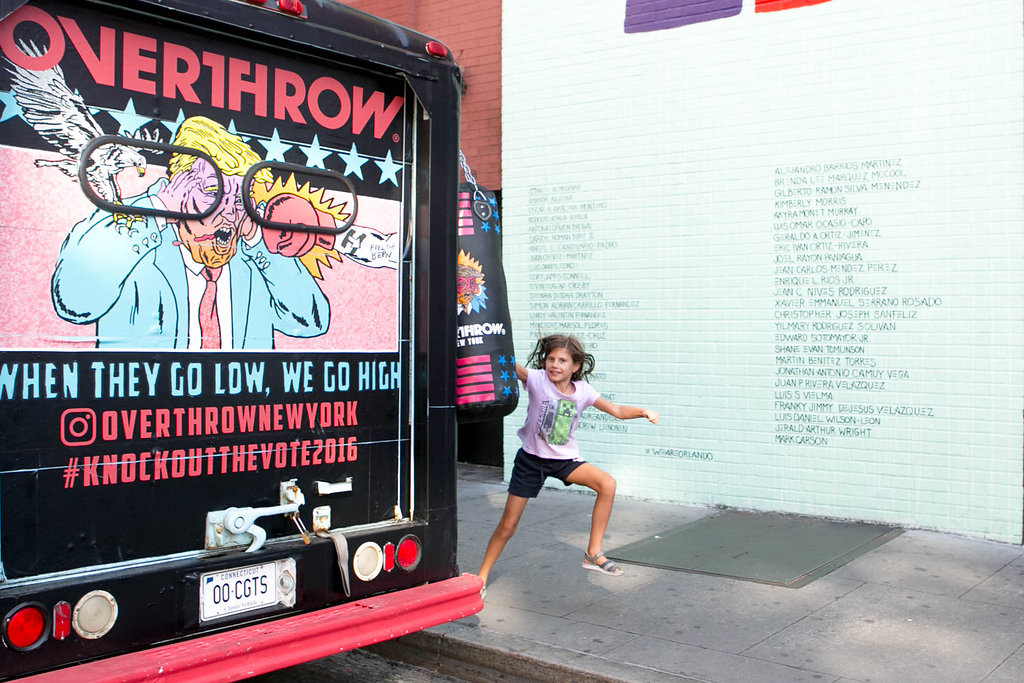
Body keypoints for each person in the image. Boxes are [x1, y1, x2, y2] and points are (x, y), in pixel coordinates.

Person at [50, 116, 329, 348]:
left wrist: (258, 237)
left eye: (239, 198)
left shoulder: (252, 255)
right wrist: (160, 207)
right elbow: (73, 303)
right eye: (213, 192)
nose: (228, 213)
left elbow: (311, 321)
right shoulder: (129, 229)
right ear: (179, 187)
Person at [477, 334, 659, 594]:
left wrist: (643, 412)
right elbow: (507, 363)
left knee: (607, 484)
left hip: (564, 461)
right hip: (531, 461)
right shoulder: (537, 379)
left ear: (575, 366)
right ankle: (481, 578)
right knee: (508, 526)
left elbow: (617, 411)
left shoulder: (583, 391)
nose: (554, 365)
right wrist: (500, 332)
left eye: (562, 361)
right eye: (551, 359)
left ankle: (593, 552)